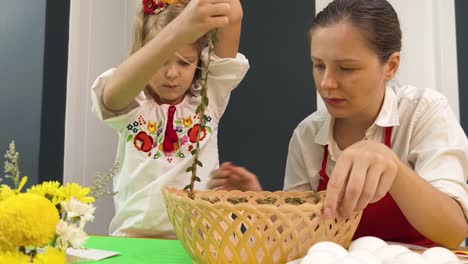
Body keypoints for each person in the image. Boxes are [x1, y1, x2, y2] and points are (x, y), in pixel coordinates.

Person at [209, 0, 468, 248]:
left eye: (346, 68)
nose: (326, 83)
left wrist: (391, 165)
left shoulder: (423, 113)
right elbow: (301, 241)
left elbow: (454, 231)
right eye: (319, 65)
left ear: (391, 65)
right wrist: (264, 206)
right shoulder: (308, 135)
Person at [91, 0, 249, 238]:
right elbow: (111, 96)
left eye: (185, 62)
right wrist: (178, 31)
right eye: (161, 60)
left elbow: (232, 14)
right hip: (135, 239)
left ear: (199, 61)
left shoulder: (208, 95)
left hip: (200, 240)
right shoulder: (134, 103)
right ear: (144, 55)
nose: (172, 73)